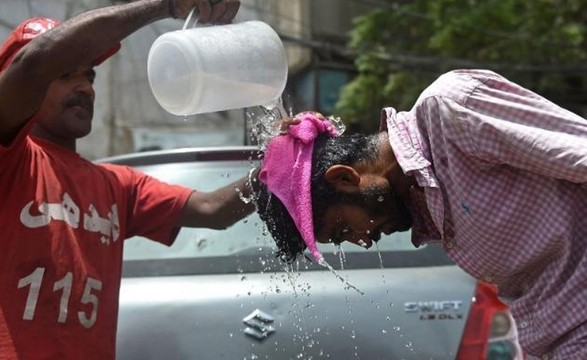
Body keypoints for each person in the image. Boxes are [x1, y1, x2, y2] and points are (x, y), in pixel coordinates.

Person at [253, 69, 587, 359]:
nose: (363, 241)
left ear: (344, 178)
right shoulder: (426, 206)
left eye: (343, 229)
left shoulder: (449, 111)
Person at [0, 0, 255, 359]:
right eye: (65, 74)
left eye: (88, 75)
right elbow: (35, 63)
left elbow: (214, 208)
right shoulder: (11, 159)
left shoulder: (116, 185)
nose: (86, 88)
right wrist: (167, 5)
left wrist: (281, 167)